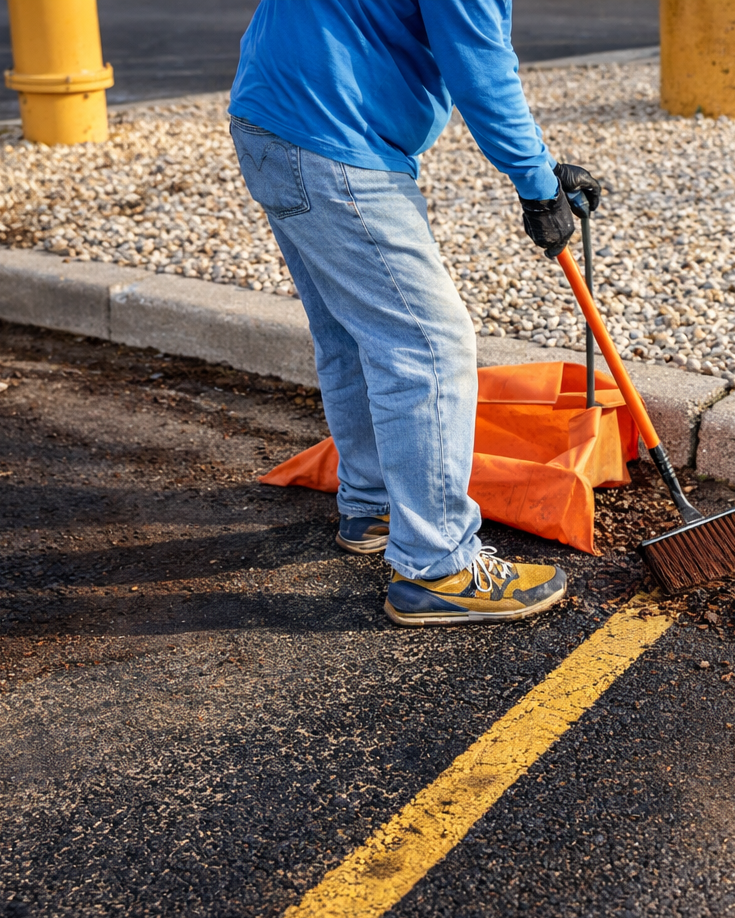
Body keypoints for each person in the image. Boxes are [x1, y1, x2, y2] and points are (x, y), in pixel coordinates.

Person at [227, 0, 601, 627]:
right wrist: (537, 183)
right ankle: (439, 565)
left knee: (353, 333)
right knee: (428, 344)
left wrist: (537, 162)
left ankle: (373, 504)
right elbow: (479, 65)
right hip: (332, 136)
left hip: (271, 118)